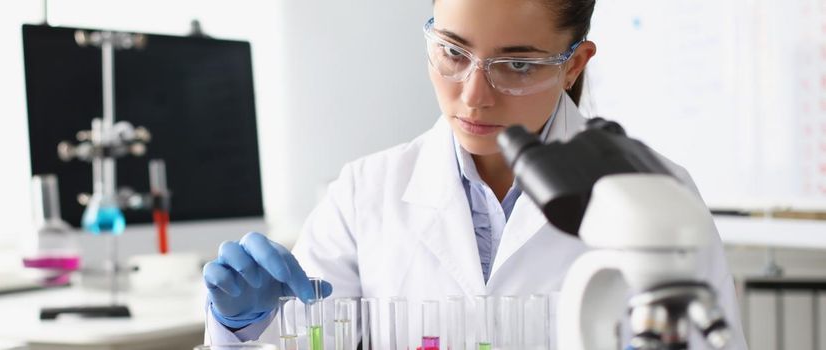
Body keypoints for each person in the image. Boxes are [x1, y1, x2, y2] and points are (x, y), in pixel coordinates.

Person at [202, 0, 748, 348]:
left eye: (517, 65)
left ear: (574, 64)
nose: (473, 95)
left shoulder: (654, 200)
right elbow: (300, 340)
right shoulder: (365, 193)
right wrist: (239, 330)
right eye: (453, 52)